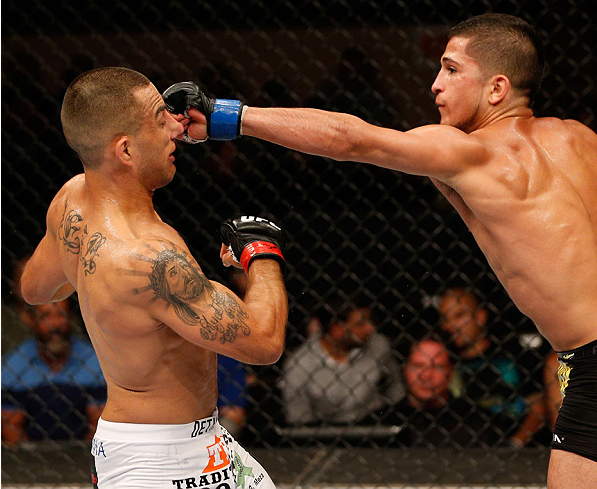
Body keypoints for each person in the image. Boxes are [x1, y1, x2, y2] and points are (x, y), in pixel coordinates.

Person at [164, 13, 597, 487]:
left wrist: (229, 117)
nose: (435, 83)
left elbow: (350, 138)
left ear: (497, 87)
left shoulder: (469, 153)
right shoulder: (580, 139)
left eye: (452, 69)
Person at [19, 67, 288, 488]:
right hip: (162, 463)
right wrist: (262, 255)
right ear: (125, 150)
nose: (177, 125)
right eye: (160, 118)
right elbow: (264, 342)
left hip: (192, 442)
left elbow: (35, 289)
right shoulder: (149, 258)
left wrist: (96, 276)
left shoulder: (72, 199)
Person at [436, 287, 548, 447]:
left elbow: (539, 406)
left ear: (480, 317)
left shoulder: (513, 353)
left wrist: (515, 443)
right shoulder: (445, 362)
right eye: (444, 318)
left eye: (459, 315)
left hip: (518, 450)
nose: (450, 325)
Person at [281, 297, 405, 427]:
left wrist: (388, 415)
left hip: (374, 424)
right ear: (336, 329)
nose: (370, 328)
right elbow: (299, 417)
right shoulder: (300, 364)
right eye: (361, 324)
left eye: (370, 321)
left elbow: (396, 386)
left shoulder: (378, 345)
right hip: (326, 431)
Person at [1, 298, 105, 444]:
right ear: (32, 321)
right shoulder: (13, 364)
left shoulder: (94, 361)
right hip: (30, 457)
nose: (54, 325)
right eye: (46, 316)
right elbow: (11, 429)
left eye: (61, 315)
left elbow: (99, 427)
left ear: (72, 318)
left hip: (84, 454)